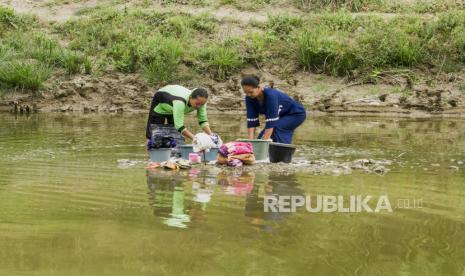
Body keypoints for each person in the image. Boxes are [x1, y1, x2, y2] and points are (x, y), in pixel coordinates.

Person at [242, 75, 306, 144]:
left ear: (259, 87)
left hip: (295, 114)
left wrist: (263, 144)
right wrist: (250, 144)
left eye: (251, 92)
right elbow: (251, 122)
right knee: (260, 138)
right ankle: (272, 152)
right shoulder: (249, 98)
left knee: (277, 129)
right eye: (246, 93)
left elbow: (271, 124)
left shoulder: (271, 96)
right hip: (280, 115)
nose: (248, 95)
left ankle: (284, 152)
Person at [145, 85, 214, 145]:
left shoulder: (201, 102)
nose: (199, 106)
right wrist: (195, 138)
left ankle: (172, 157)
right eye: (197, 104)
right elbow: (179, 126)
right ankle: (149, 158)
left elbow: (203, 121)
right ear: (190, 98)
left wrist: (211, 135)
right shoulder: (180, 102)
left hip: (173, 108)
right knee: (153, 136)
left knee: (175, 137)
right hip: (160, 103)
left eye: (201, 104)